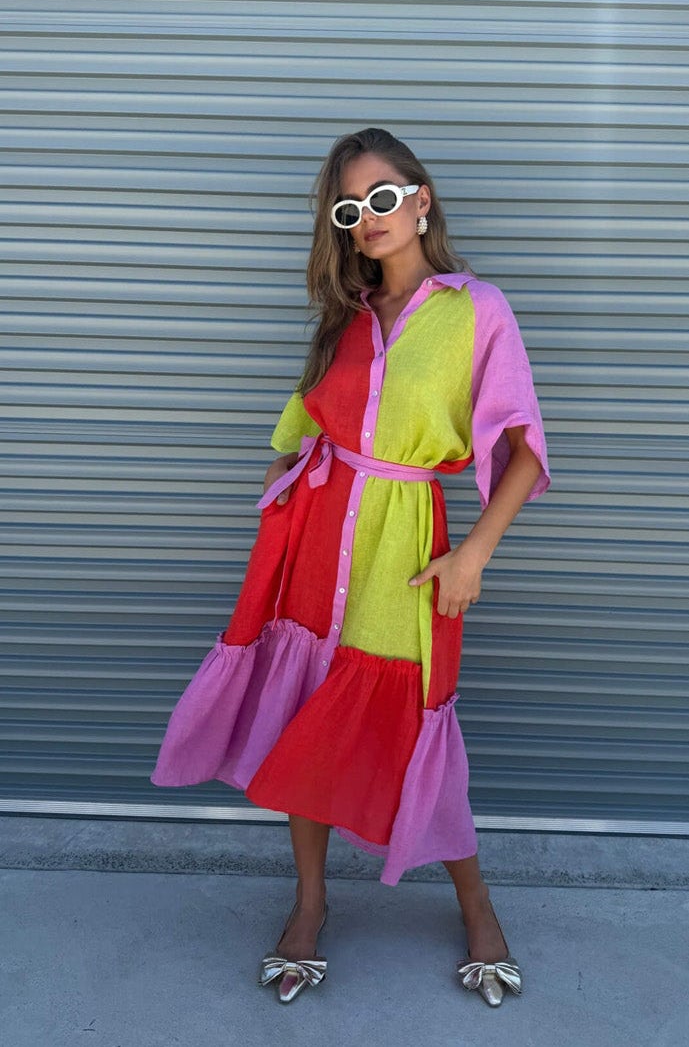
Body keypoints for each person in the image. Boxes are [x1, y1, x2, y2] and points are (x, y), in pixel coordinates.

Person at [152, 128, 549, 1007]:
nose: (365, 220)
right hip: (312, 539)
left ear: (420, 198)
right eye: (347, 209)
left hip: (406, 551)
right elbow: (304, 420)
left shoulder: (476, 308)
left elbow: (525, 450)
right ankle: (309, 902)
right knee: (304, 718)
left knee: (415, 724)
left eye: (379, 198)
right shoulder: (346, 316)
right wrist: (278, 487)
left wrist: (473, 552)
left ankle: (476, 904)